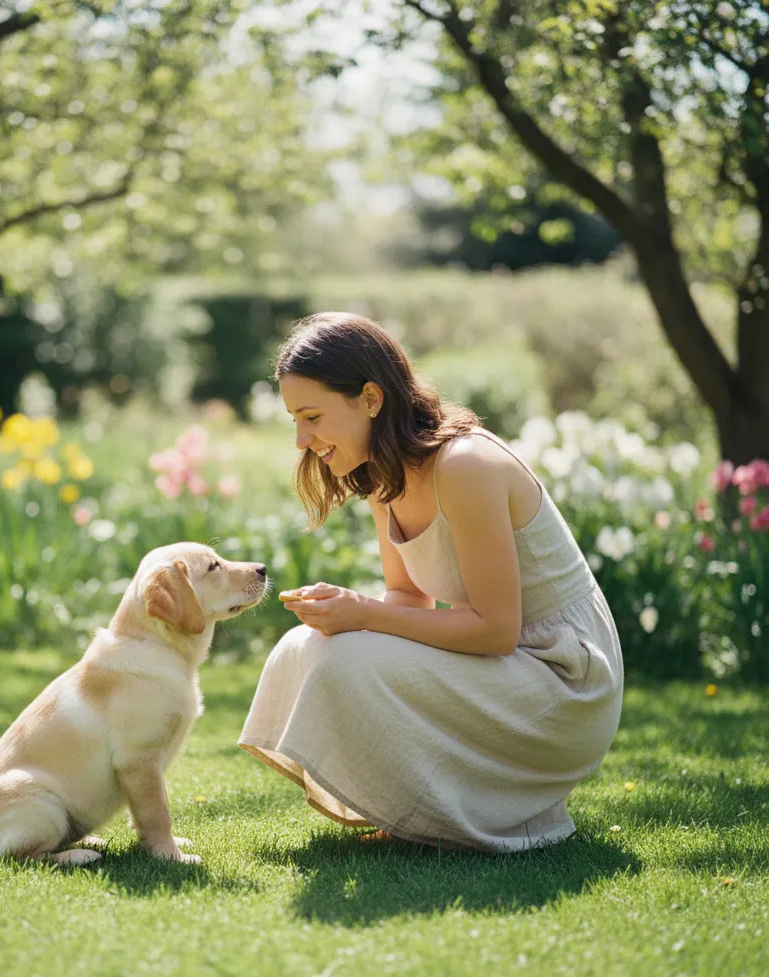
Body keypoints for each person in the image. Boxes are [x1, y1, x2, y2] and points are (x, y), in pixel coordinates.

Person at [238, 312, 623, 853]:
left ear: (370, 399)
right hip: (507, 664)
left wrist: (364, 615)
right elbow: (407, 599)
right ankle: (412, 808)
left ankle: (455, 811)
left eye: (312, 416)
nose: (303, 439)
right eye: (295, 420)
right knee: (309, 645)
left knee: (346, 658)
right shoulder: (380, 476)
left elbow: (496, 631)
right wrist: (347, 616)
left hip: (562, 679)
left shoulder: (466, 465)